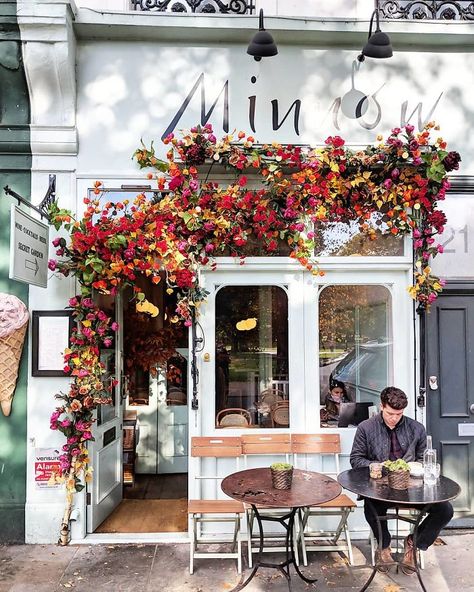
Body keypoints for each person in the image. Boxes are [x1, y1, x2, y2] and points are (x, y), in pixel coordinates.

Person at [350, 386, 453, 574]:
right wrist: (376, 465)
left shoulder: (416, 428)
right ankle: (384, 545)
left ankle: (414, 542)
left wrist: (415, 468)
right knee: (371, 505)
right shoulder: (366, 427)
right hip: (379, 486)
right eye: (390, 413)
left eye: (399, 414)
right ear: (381, 406)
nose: (394, 418)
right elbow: (356, 459)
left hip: (412, 487)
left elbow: (424, 459)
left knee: (445, 509)